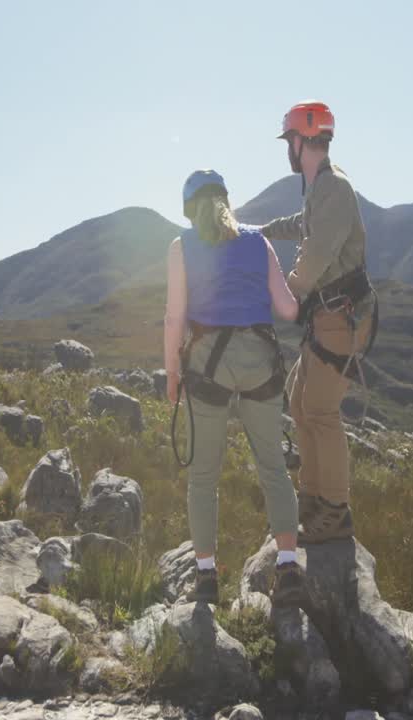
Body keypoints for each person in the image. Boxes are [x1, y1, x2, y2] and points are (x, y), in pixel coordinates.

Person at [164, 169, 305, 608]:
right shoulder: (257, 242)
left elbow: (174, 318)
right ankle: (287, 564)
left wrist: (172, 373)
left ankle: (206, 578)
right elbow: (286, 308)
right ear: (227, 200)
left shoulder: (181, 247)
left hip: (208, 368)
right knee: (273, 470)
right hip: (261, 364)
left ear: (190, 209)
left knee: (203, 477)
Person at [260, 100, 377, 544]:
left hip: (340, 318)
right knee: (298, 402)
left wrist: (280, 289)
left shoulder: (334, 190)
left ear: (303, 140)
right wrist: (263, 232)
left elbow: (311, 263)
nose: (287, 148)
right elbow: (303, 225)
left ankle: (336, 510)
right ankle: (311, 496)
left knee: (322, 411)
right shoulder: (321, 187)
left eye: (289, 140)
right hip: (328, 317)